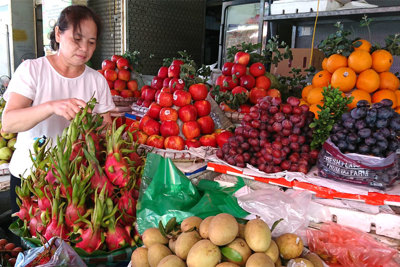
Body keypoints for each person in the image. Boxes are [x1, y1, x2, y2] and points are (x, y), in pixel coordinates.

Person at [1, 5, 115, 216]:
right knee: (33, 247)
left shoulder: (97, 80)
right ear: (58, 34)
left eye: (91, 42)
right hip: (31, 179)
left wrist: (100, 130)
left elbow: (105, 131)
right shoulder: (32, 70)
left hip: (76, 184)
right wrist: (52, 106)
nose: (84, 48)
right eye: (77, 39)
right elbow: (8, 123)